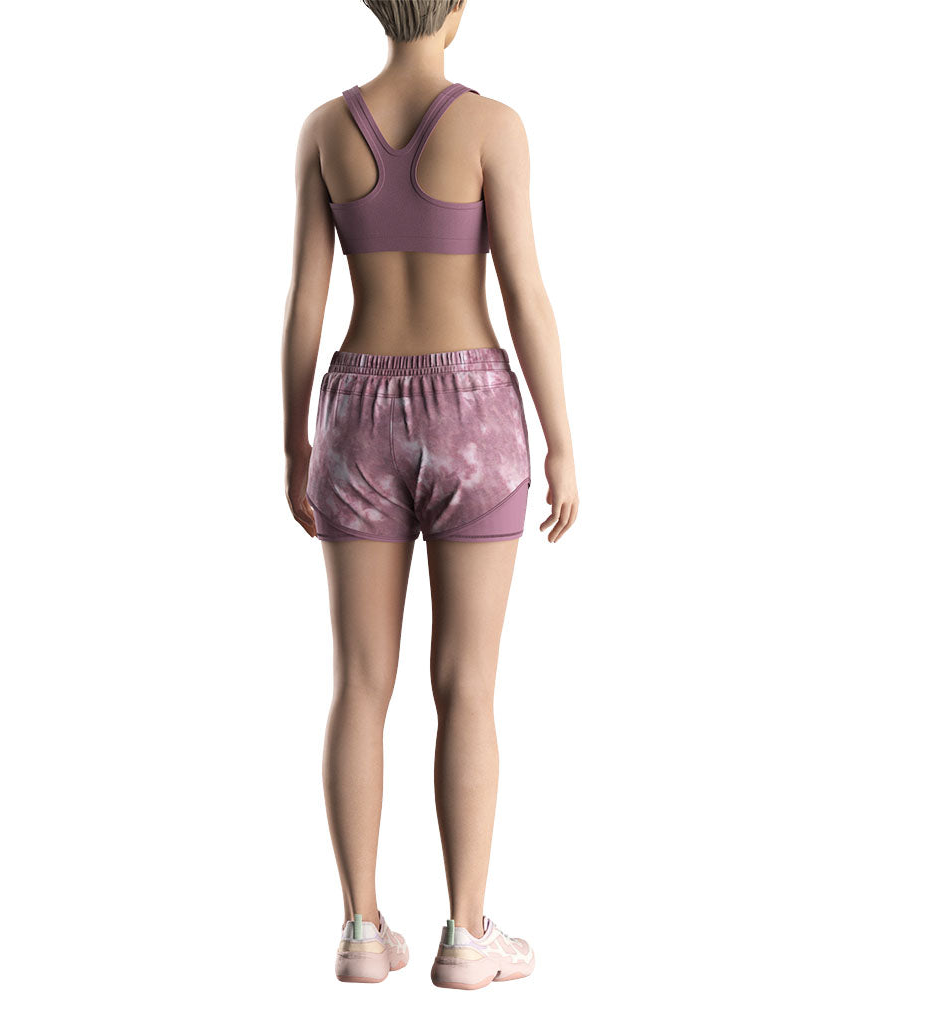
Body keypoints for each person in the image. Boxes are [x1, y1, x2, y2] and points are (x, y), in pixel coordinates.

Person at [281, 0, 578, 989]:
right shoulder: (492, 127)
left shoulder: (327, 130)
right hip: (474, 412)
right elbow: (525, 293)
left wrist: (294, 438)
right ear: (455, 8)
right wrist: (563, 442)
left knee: (360, 682)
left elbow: (306, 302)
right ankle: (465, 935)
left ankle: (361, 930)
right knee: (468, 685)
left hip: (356, 411)